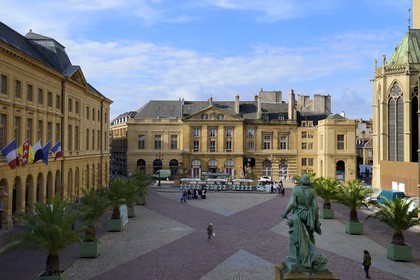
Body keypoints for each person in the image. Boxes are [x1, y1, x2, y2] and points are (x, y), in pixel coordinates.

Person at [281, 174, 325, 270]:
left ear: (301, 181)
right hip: (308, 215)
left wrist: (285, 213)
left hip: (298, 214)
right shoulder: (312, 191)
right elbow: (316, 207)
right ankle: (313, 253)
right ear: (308, 182)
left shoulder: (296, 190)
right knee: (311, 235)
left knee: (296, 234)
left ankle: (296, 256)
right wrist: (316, 221)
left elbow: (292, 203)